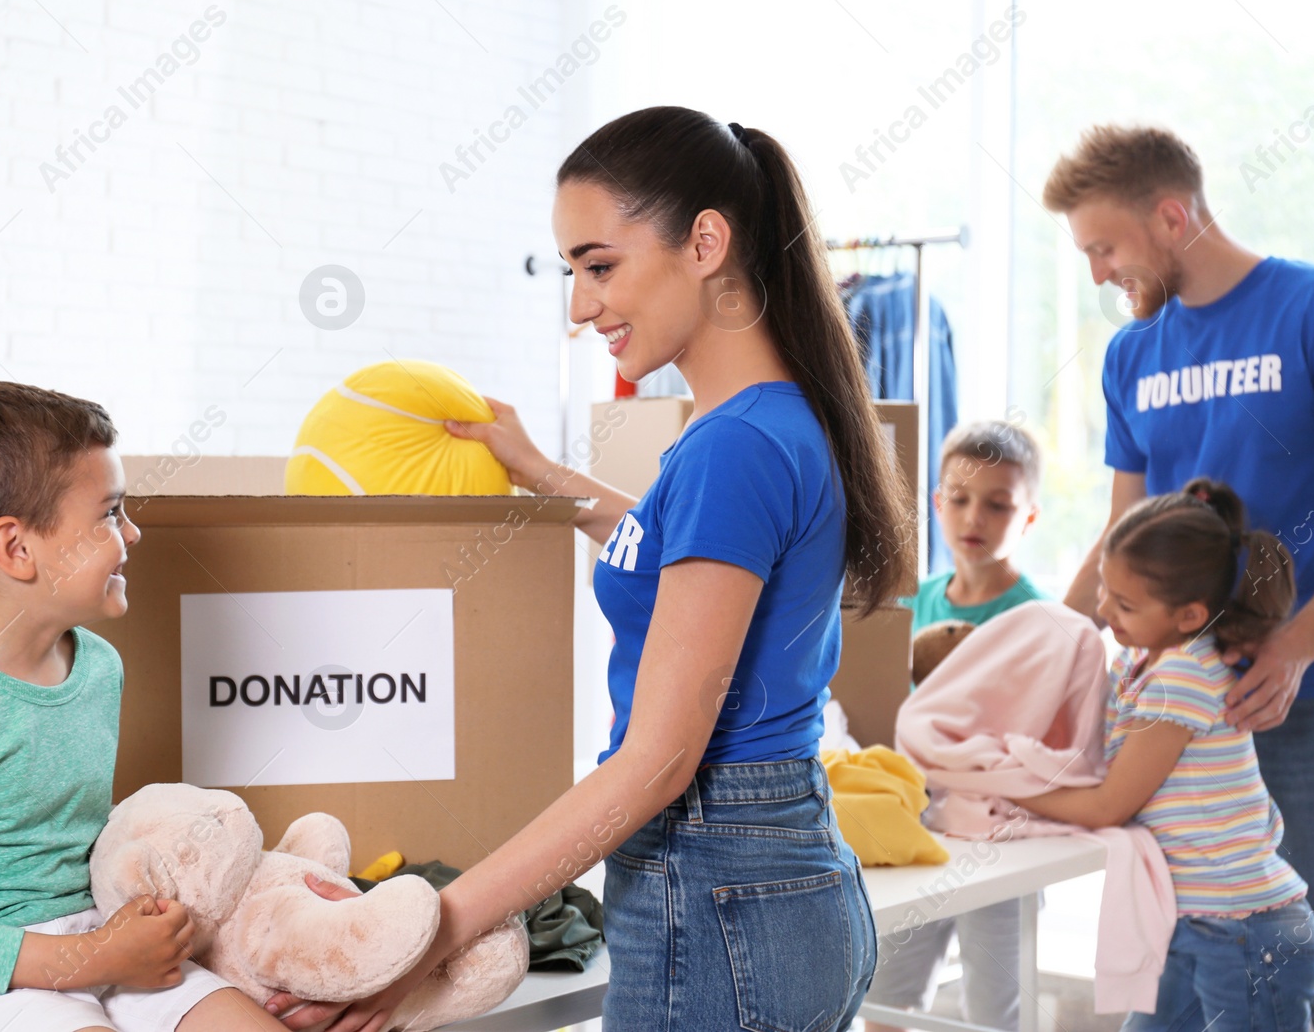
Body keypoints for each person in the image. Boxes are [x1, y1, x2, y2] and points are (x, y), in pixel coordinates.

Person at [267, 106, 912, 1031]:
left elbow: (655, 763)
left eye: (600, 265)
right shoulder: (769, 422)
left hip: (717, 881)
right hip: (772, 878)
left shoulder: (732, 448)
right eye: (572, 272)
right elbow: (668, 554)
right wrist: (541, 474)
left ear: (705, 242)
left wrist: (426, 933)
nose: (580, 305)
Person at [0, 381, 286, 1032]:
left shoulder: (99, 666)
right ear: (17, 549)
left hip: (91, 940)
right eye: (110, 513)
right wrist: (87, 958)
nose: (133, 532)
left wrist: (130, 927)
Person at [1047, 124, 1314, 1027]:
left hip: (1306, 704)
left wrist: (1295, 648)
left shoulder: (1312, 310)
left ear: (1172, 217)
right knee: (1171, 967)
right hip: (1174, 716)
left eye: (1105, 247)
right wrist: (1043, 645)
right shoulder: (1131, 354)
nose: (1097, 273)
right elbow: (1122, 531)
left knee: (1294, 967)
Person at [1013, 478, 1314, 1031]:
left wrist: (1011, 788)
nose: (1105, 610)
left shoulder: (1180, 675)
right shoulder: (1139, 663)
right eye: (1104, 589)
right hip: (1194, 924)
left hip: (1244, 931)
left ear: (1188, 616)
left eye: (1125, 603)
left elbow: (1110, 804)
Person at [865, 418, 1047, 1031]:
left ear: (1028, 517)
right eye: (961, 500)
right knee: (885, 997)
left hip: (999, 838)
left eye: (998, 505)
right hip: (918, 826)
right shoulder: (913, 600)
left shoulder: (1036, 619)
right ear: (938, 504)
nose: (975, 519)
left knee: (997, 1009)